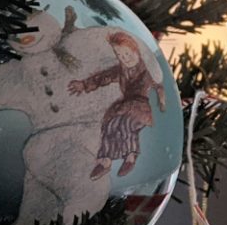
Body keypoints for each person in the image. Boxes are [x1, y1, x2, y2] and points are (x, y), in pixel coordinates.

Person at [68, 30, 165, 179]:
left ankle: (130, 157)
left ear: (135, 50)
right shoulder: (121, 70)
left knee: (126, 124)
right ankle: (104, 161)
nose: (124, 58)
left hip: (140, 108)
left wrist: (162, 100)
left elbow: (158, 83)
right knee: (111, 125)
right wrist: (84, 84)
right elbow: (103, 77)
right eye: (119, 55)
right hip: (123, 107)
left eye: (127, 54)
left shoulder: (147, 70)